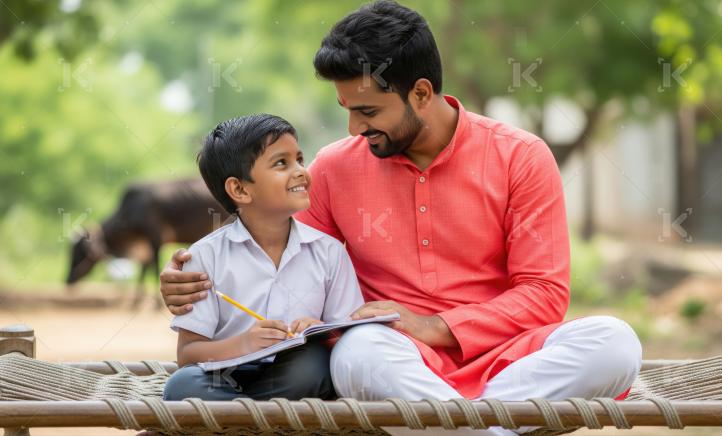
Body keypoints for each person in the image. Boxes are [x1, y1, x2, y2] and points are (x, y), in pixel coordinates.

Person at [160, 2, 641, 433]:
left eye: (368, 110)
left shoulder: (521, 157)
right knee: (356, 353)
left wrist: (436, 325)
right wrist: (195, 277)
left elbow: (544, 293)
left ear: (422, 93)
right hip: (393, 361)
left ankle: (455, 427)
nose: (354, 128)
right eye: (347, 110)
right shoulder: (333, 168)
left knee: (615, 343)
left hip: (513, 359)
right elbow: (285, 261)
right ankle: (492, 427)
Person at [162, 114, 363, 401]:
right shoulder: (205, 257)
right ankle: (265, 420)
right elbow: (188, 354)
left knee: (315, 365)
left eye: (299, 159)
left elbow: (349, 340)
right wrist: (245, 343)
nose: (301, 172)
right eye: (281, 163)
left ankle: (238, 422)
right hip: (226, 376)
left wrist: (319, 331)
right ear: (240, 189)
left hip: (294, 374)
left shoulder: (329, 252)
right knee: (182, 385)